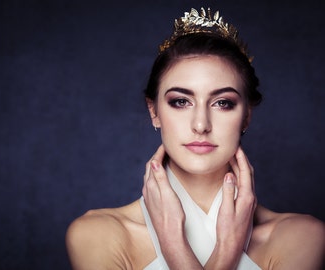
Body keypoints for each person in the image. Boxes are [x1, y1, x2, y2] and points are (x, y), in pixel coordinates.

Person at [66, 7, 325, 270]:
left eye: (223, 103)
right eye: (181, 101)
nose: (201, 124)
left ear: (246, 116)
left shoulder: (300, 237)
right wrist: (218, 249)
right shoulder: (97, 235)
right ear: (154, 111)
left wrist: (185, 248)